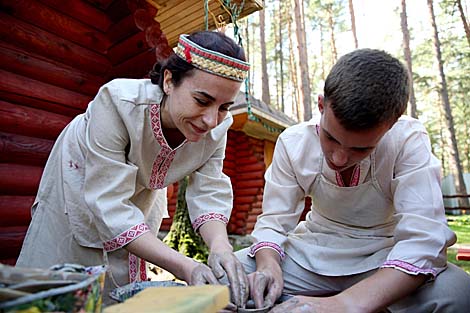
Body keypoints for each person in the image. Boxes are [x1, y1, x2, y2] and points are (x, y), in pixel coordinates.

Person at [16, 31, 250, 308]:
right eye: (201, 100)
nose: (212, 120)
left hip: (144, 189)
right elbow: (110, 204)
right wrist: (185, 267)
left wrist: (220, 247)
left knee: (123, 274)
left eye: (224, 107)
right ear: (169, 81)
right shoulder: (117, 102)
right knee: (63, 263)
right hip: (78, 175)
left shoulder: (218, 127)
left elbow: (209, 189)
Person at [235, 48, 470, 312]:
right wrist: (269, 266)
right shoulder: (292, 142)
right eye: (331, 138)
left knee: (459, 294)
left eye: (361, 149)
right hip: (311, 252)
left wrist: (346, 304)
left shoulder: (407, 139)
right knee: (227, 278)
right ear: (322, 105)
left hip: (385, 256)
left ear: (390, 126)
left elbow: (424, 240)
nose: (338, 157)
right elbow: (274, 222)